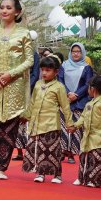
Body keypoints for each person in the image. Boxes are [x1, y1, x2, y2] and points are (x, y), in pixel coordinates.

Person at [0, 0, 34, 180]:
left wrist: (11, 74)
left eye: (8, 8)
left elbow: (29, 60)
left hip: (14, 84)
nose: (4, 11)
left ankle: (1, 167)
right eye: (1, 7)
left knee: (9, 128)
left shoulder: (24, 33)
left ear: (17, 12)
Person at [22, 55, 72, 184]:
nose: (44, 73)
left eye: (48, 70)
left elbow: (65, 107)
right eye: (42, 70)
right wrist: (26, 116)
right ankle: (40, 173)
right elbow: (32, 103)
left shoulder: (59, 87)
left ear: (56, 72)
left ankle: (57, 174)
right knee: (39, 149)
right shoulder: (38, 84)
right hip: (37, 123)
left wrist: (69, 123)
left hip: (51, 124)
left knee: (52, 150)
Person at [69, 75, 101, 187]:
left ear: (93, 89)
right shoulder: (88, 104)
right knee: (83, 157)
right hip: (87, 136)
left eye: (88, 87)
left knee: (97, 159)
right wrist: (75, 126)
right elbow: (83, 117)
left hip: (99, 136)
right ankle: (81, 177)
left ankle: (95, 180)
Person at [58, 42, 94, 164]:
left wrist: (76, 94)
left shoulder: (87, 67)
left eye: (78, 51)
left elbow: (88, 84)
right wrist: (68, 93)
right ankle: (63, 151)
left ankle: (72, 153)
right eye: (74, 51)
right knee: (63, 126)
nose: (76, 54)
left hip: (80, 101)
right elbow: (60, 80)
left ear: (82, 52)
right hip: (65, 100)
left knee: (76, 127)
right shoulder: (64, 65)